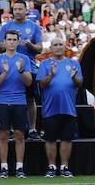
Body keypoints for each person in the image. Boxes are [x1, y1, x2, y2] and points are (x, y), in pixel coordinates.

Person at [37, 38, 82, 177]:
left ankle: (64, 167)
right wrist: (51, 74)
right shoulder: (45, 64)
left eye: (60, 44)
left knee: (67, 138)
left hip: (68, 107)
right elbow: (42, 85)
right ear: (50, 48)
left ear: (65, 47)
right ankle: (51, 167)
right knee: (50, 138)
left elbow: (79, 83)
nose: (58, 47)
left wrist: (74, 77)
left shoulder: (73, 63)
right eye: (55, 45)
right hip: (50, 108)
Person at [0, 30, 35, 178]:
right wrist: (4, 72)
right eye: (8, 39)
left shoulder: (24, 59)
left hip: (20, 101)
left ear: (18, 41)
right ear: (4, 41)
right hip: (3, 101)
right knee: (3, 135)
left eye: (14, 39)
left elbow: (29, 82)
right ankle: (4, 168)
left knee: (19, 135)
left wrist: (21, 70)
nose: (11, 42)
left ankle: (19, 168)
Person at [0, 0, 43, 138]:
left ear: (26, 10)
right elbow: (0, 47)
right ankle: (10, 129)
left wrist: (30, 45)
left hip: (29, 68)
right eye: (15, 9)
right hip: (9, 68)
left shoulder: (34, 27)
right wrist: (12, 44)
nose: (17, 11)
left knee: (30, 100)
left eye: (20, 9)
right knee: (10, 98)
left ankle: (32, 129)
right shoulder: (7, 26)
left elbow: (40, 48)